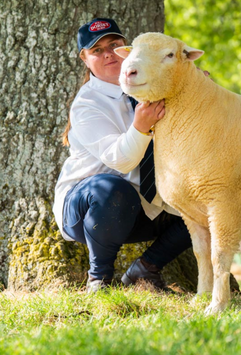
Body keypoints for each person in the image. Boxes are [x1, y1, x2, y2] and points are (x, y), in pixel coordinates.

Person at [53, 18, 193, 293]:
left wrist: (195, 92)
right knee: (112, 188)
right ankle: (99, 280)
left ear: (127, 50)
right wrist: (140, 125)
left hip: (143, 204)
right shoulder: (87, 104)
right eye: (97, 50)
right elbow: (121, 161)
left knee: (206, 201)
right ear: (84, 59)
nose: (108, 54)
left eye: (114, 45)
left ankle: (146, 270)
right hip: (87, 208)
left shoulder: (156, 87)